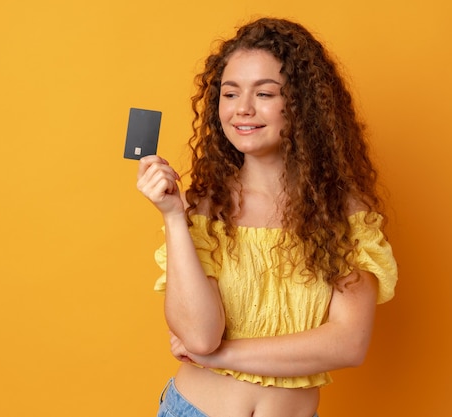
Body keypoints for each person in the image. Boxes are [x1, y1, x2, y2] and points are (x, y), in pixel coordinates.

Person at [136, 17, 398, 417]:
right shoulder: (205, 206)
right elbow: (199, 337)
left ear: (302, 104)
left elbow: (348, 344)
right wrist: (173, 216)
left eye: (264, 93)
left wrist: (223, 358)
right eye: (230, 93)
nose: (242, 109)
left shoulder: (344, 213)